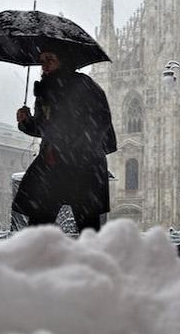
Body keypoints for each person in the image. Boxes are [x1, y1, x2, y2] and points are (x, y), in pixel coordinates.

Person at [13, 48, 117, 234]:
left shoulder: (83, 85)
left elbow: (99, 123)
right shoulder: (45, 89)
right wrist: (26, 122)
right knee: (39, 221)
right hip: (54, 163)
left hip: (83, 165)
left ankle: (93, 260)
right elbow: (44, 128)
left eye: (50, 59)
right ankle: (36, 259)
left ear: (64, 60)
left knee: (87, 225)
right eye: (42, 60)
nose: (44, 65)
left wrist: (72, 146)